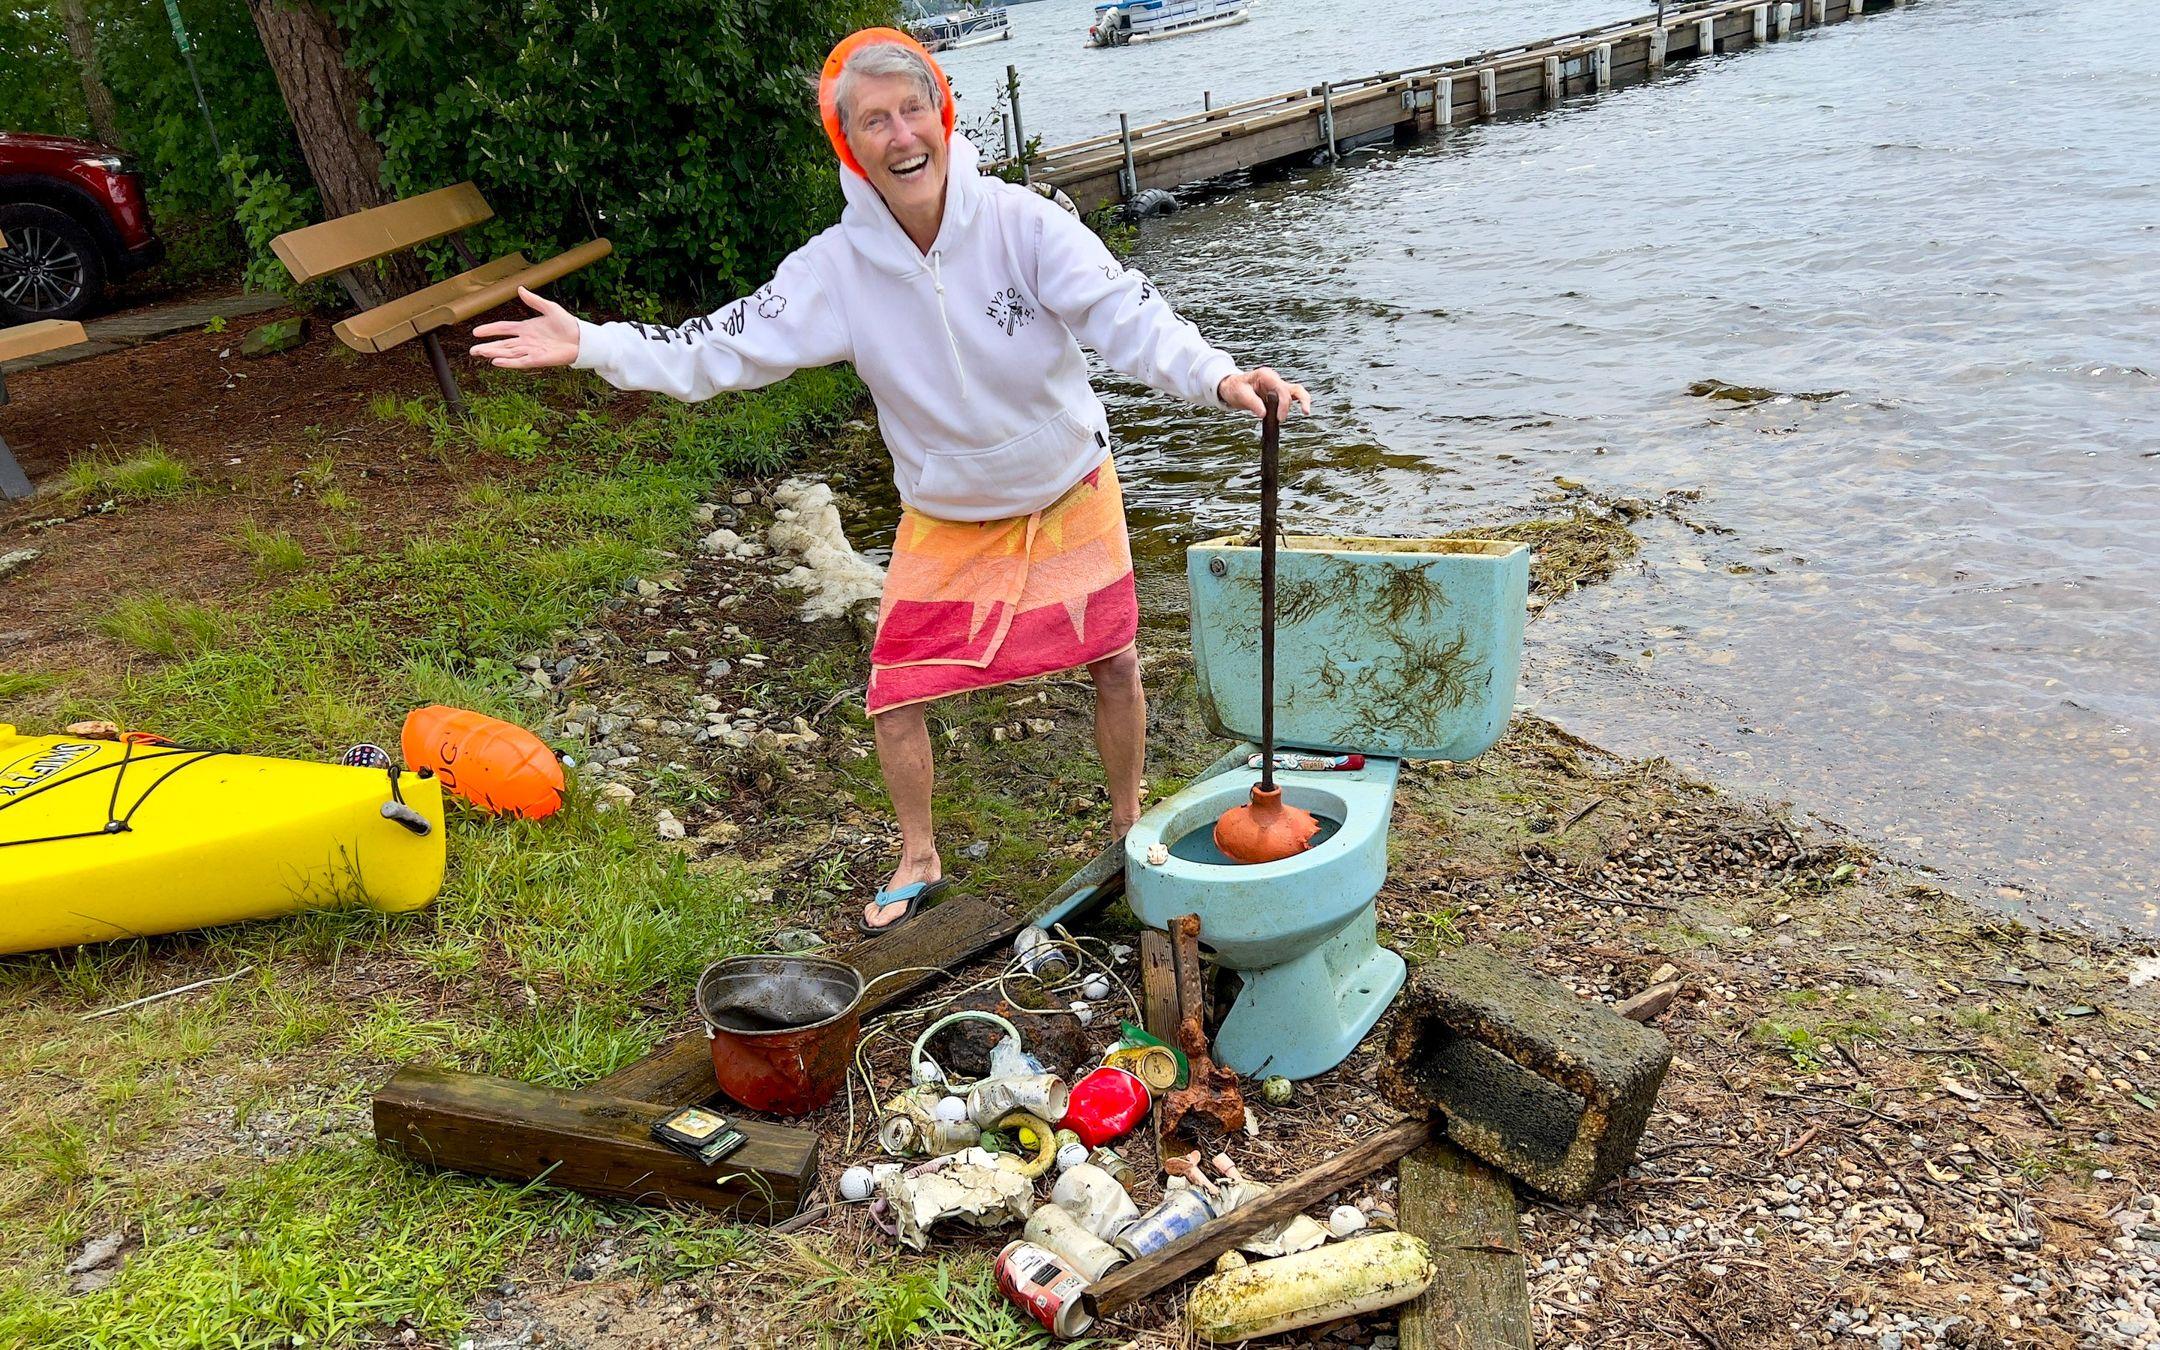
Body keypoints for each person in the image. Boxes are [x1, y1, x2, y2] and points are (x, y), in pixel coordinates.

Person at [471, 28, 1309, 934]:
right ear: (849, 145)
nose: (902, 134)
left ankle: (1123, 819)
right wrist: (594, 343)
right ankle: (920, 855)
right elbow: (723, 344)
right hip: (947, 511)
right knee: (896, 693)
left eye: (915, 109)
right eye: (875, 120)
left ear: (944, 114)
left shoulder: (1025, 223)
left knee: (1113, 659)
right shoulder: (836, 270)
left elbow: (1125, 310)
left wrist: (1219, 377)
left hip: (1068, 482)